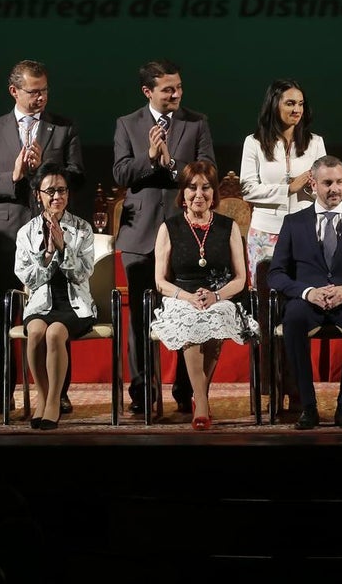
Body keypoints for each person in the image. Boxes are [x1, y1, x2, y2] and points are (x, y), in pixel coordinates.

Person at [0, 59, 84, 416]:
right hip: (7, 232)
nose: (41, 98)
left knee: (54, 310)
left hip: (52, 230)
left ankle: (57, 393)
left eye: (45, 91)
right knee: (5, 312)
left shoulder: (62, 129)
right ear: (14, 91)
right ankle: (3, 392)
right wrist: (14, 175)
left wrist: (47, 175)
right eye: (34, 92)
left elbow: (76, 176)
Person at [113, 59, 215, 416]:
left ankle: (186, 388)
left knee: (189, 313)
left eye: (179, 88)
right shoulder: (127, 124)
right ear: (148, 92)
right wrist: (150, 157)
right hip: (139, 236)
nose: (176, 94)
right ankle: (143, 390)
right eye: (168, 89)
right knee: (141, 317)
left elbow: (209, 170)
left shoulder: (196, 122)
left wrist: (172, 165)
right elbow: (122, 171)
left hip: (185, 232)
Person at [268, 155, 342, 430]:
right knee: (293, 319)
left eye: (340, 182)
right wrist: (307, 292)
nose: (335, 189)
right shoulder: (294, 223)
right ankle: (308, 407)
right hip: (307, 300)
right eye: (328, 183)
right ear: (313, 184)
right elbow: (276, 274)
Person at [149, 161, 258, 430]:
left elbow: (241, 278)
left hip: (220, 295)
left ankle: (199, 398)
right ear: (183, 193)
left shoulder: (228, 227)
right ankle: (202, 400)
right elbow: (160, 281)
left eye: (206, 187)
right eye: (192, 187)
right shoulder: (169, 228)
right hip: (180, 297)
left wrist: (216, 296)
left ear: (214, 192)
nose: (199, 194)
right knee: (192, 320)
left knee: (216, 318)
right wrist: (187, 298)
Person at [240, 78, 327, 414]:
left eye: (301, 104)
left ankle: (295, 390)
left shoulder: (314, 142)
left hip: (303, 235)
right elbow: (248, 188)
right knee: (266, 316)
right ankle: (268, 389)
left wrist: (313, 188)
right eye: (290, 103)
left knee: (296, 312)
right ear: (274, 105)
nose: (297, 110)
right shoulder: (255, 143)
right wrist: (290, 187)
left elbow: (322, 185)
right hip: (265, 235)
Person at [13, 164, 96, 430]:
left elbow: (82, 274)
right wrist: (48, 255)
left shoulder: (82, 229)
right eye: (50, 191)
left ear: (68, 194)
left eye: (61, 190)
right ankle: (42, 395)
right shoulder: (26, 233)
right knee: (36, 332)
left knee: (54, 334)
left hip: (74, 302)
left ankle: (54, 402)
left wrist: (63, 249)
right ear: (38, 194)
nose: (56, 196)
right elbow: (29, 279)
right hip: (41, 301)